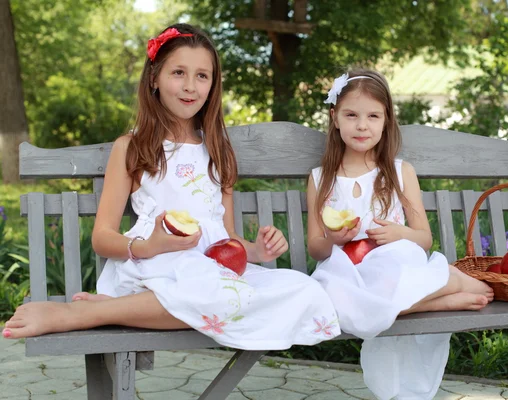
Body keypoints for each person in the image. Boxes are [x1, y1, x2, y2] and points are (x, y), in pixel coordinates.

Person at [3, 24, 340, 349]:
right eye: (178, 73)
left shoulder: (219, 151)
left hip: (212, 271)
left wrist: (257, 251)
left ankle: (106, 310)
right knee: (212, 293)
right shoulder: (133, 147)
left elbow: (228, 238)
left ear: (213, 85)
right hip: (157, 265)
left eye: (201, 76)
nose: (190, 86)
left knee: (303, 289)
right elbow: (102, 237)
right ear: (154, 78)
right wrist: (149, 246)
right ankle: (78, 314)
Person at [307, 69, 494, 399]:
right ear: (335, 118)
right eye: (351, 115)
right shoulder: (321, 178)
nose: (362, 125)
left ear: (386, 120)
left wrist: (400, 233)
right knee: (330, 303)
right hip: (346, 273)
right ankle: (441, 298)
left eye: (372, 116)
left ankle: (428, 293)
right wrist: (334, 240)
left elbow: (425, 239)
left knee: (386, 281)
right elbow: (316, 249)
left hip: (391, 264)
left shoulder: (398, 172)